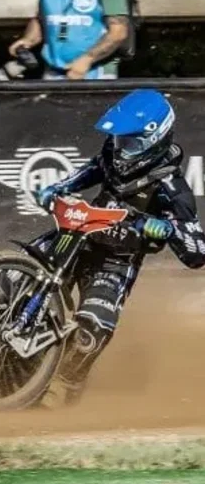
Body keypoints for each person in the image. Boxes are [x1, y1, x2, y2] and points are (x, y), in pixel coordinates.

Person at [29, 89, 205, 406]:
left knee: (91, 331)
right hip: (79, 237)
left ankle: (65, 382)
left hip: (116, 261)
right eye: (121, 141)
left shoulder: (172, 188)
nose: (122, 150)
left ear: (156, 139)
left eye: (132, 143)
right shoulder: (112, 152)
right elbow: (88, 171)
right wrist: (55, 189)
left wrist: (167, 229)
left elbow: (198, 251)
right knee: (12, 277)